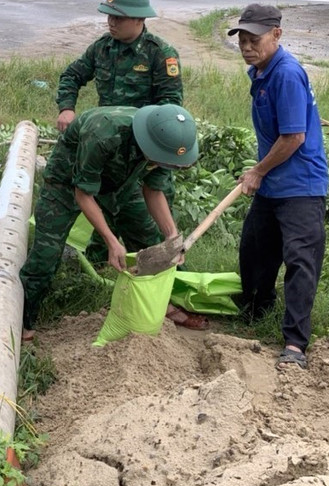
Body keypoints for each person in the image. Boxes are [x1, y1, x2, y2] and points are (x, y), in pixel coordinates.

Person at [19, 104, 199, 341]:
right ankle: (23, 323)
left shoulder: (163, 148)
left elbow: (153, 190)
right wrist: (111, 240)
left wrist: (171, 235)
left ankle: (156, 306)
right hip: (67, 182)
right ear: (148, 146)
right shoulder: (103, 134)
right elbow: (83, 193)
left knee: (148, 239)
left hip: (120, 182)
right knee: (46, 254)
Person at [228, 5, 328, 371]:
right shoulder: (260, 72)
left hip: (301, 185)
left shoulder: (286, 74)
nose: (247, 46)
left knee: (300, 262)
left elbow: (294, 137)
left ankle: (295, 344)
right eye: (242, 39)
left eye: (254, 39)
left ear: (276, 35)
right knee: (255, 251)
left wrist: (257, 170)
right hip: (273, 182)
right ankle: (257, 313)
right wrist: (261, 172)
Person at [55, 0, 183, 265]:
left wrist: (152, 155)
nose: (111, 23)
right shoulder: (102, 48)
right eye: (109, 16)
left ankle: (164, 276)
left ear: (140, 20)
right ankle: (100, 266)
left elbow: (171, 110)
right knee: (104, 206)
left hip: (145, 153)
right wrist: (67, 108)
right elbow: (72, 75)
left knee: (148, 231)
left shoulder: (159, 53)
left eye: (119, 18)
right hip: (109, 145)